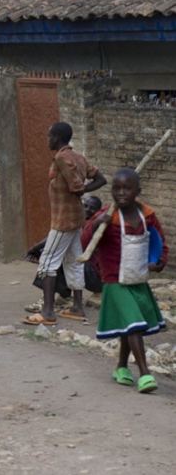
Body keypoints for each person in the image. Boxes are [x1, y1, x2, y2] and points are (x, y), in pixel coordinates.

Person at [81, 168, 167, 393]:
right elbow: (85, 242)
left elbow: (159, 243)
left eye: (127, 188)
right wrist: (97, 223)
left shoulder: (147, 215)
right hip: (114, 280)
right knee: (133, 323)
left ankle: (121, 367)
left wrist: (158, 262)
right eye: (116, 188)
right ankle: (145, 374)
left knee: (129, 327)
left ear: (137, 190)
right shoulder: (107, 216)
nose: (121, 193)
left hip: (137, 279)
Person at [23, 122, 106, 326]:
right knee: (74, 261)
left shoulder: (62, 158)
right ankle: (77, 308)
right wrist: (84, 190)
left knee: (47, 263)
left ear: (57, 138)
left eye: (49, 136)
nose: (47, 140)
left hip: (64, 220)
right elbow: (100, 179)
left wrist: (81, 190)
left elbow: (76, 188)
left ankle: (48, 312)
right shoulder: (77, 157)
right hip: (75, 219)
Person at [24, 195, 103, 314]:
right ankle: (65, 297)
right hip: (95, 277)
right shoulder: (84, 222)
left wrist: (35, 248)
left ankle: (48, 300)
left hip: (96, 278)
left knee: (57, 257)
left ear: (97, 212)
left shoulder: (89, 224)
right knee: (63, 254)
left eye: (92, 208)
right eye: (85, 206)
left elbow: (59, 236)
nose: (87, 209)